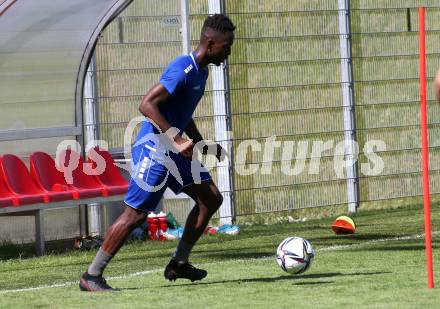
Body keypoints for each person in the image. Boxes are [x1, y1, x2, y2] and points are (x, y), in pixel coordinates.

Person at [79, 14, 235, 292]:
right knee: (136, 214)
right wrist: (176, 139)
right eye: (226, 45)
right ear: (210, 43)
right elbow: (147, 105)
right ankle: (92, 275)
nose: (229, 51)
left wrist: (198, 143)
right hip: (155, 149)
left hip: (174, 149)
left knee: (210, 198)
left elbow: (182, 112)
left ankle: (179, 263)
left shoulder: (202, 71)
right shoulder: (182, 69)